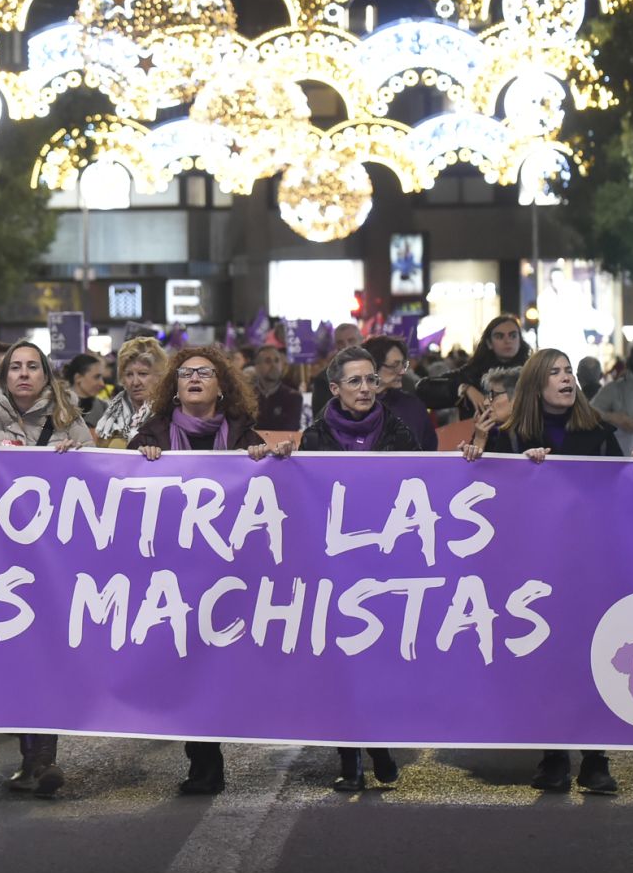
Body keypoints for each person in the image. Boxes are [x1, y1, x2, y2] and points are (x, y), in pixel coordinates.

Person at [461, 348, 633, 796]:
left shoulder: (599, 432)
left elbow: (621, 496)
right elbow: (487, 497)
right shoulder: (511, 437)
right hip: (534, 569)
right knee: (546, 661)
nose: (566, 378)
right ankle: (552, 756)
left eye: (569, 371)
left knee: (591, 659)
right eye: (556, 372)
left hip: (589, 566)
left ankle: (595, 759)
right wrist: (486, 455)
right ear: (536, 384)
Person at [129, 345, 291, 794]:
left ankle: (209, 756)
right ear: (174, 388)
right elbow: (118, 493)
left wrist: (270, 462)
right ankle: (204, 758)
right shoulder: (150, 435)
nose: (194, 379)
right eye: (185, 374)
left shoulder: (243, 436)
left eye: (205, 373)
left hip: (228, 572)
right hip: (173, 572)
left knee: (217, 667)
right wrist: (137, 462)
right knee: (186, 665)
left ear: (222, 385)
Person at [0, 341, 92, 798]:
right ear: (0, 376)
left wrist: (82, 458)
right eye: (15, 366)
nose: (24, 374)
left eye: (33, 367)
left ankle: (43, 761)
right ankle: (28, 758)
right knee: (14, 658)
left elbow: (98, 484)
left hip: (52, 560)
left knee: (47, 657)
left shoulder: (70, 421)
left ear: (46, 376)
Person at [294, 344, 413, 791]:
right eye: (356, 381)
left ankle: (379, 746)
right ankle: (351, 760)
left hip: (386, 564)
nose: (365, 388)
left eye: (371, 380)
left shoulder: (400, 433)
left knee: (376, 663)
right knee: (341, 664)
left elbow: (426, 489)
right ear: (335, 388)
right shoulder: (315, 438)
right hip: (335, 567)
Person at [416, 315, 530, 419]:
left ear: (520, 340)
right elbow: (423, 389)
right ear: (489, 343)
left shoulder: (533, 371)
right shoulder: (474, 373)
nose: (508, 341)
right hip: (481, 438)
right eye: (499, 336)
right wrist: (464, 388)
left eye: (513, 335)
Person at [362, 336, 440, 450]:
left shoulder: (413, 406)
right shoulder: (348, 406)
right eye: (394, 366)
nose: (402, 372)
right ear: (372, 367)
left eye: (403, 365)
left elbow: (429, 448)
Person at [93, 336, 166, 447]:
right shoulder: (109, 417)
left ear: (159, 376)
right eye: (129, 375)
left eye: (143, 373)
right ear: (122, 378)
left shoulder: (170, 415)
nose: (135, 382)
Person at [250, 343, 302, 433]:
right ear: (257, 367)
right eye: (268, 361)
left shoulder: (293, 397)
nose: (274, 365)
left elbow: (291, 431)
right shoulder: (247, 396)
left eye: (277, 361)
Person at [63, 353, 109, 428]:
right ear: (78, 378)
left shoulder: (104, 409)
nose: (102, 383)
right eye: (96, 377)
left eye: (102, 378)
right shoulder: (55, 408)